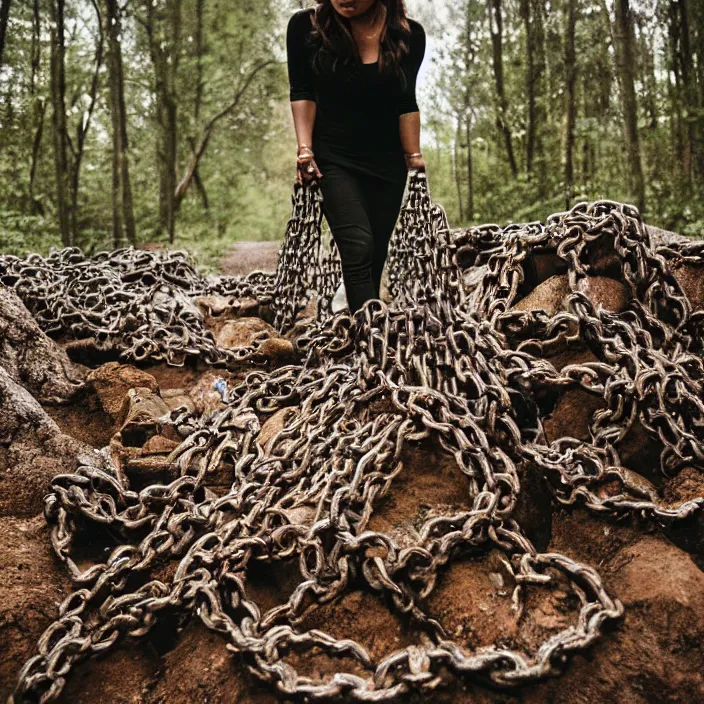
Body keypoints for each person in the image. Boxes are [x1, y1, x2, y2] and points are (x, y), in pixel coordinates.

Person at [286, 0, 426, 314]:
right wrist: (304, 149)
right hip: (333, 159)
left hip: (388, 163)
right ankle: (369, 341)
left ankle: (357, 314)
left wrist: (414, 157)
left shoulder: (409, 35)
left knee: (376, 254)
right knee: (358, 246)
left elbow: (406, 101)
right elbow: (301, 90)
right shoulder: (305, 28)